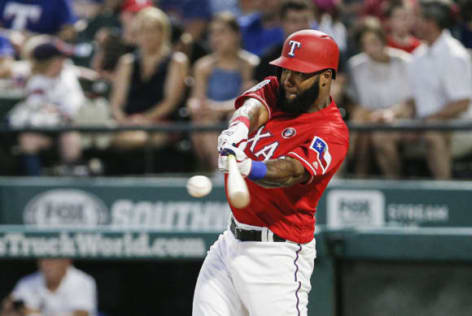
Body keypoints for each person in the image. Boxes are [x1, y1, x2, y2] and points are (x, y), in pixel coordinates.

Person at [192, 29, 349, 315]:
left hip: (276, 256)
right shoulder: (279, 90)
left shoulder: (331, 131)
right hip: (230, 242)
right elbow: (254, 106)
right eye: (286, 69)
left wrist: (247, 166)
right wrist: (237, 129)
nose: (288, 80)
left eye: (300, 74)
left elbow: (291, 171)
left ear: (326, 77)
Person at [407, 0, 472, 179]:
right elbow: (413, 100)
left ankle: (444, 195)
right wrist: (392, 115)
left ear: (431, 23)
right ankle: (392, 196)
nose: (413, 22)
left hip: (462, 129)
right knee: (381, 136)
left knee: (433, 134)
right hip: (422, 125)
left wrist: (427, 121)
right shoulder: (418, 55)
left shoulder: (455, 55)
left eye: (418, 18)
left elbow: (462, 103)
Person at [109, 6, 188, 150]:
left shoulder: (176, 61)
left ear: (164, 33)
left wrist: (144, 119)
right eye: (143, 30)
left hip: (162, 122)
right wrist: (123, 120)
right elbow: (116, 102)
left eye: (153, 30)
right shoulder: (127, 62)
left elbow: (171, 102)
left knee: (135, 139)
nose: (147, 35)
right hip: (128, 121)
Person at [188, 12, 258, 171]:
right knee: (205, 121)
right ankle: (219, 170)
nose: (215, 38)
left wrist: (219, 108)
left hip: (235, 116)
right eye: (212, 33)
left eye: (221, 32)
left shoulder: (249, 64)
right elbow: (196, 98)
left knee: (231, 118)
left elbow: (247, 101)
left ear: (236, 35)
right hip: (209, 117)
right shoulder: (202, 66)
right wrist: (197, 106)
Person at [8, 37, 87, 176]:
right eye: (58, 60)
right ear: (49, 62)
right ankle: (35, 185)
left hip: (65, 126)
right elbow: (35, 104)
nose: (61, 63)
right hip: (42, 127)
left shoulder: (68, 76)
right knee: (28, 140)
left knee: (70, 137)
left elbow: (75, 104)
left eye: (61, 60)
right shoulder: (35, 79)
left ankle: (73, 183)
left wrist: (57, 111)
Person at [348, 17, 413, 178]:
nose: (371, 47)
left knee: (377, 134)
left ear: (383, 39)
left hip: (400, 118)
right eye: (365, 44)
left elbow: (410, 102)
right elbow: (354, 102)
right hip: (368, 119)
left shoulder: (405, 62)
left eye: (374, 41)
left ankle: (394, 185)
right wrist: (372, 115)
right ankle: (353, 180)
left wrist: (390, 114)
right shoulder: (355, 66)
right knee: (362, 128)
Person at [1, 258, 97, 316]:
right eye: (44, 260)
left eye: (53, 260)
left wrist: (35, 313)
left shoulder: (82, 281)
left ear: (67, 262)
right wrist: (14, 307)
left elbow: (81, 314)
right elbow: (8, 306)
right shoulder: (28, 282)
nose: (47, 265)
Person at [254, 0, 313, 82]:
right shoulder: (268, 61)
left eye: (305, 20)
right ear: (282, 22)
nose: (301, 26)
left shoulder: (325, 56)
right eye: (294, 21)